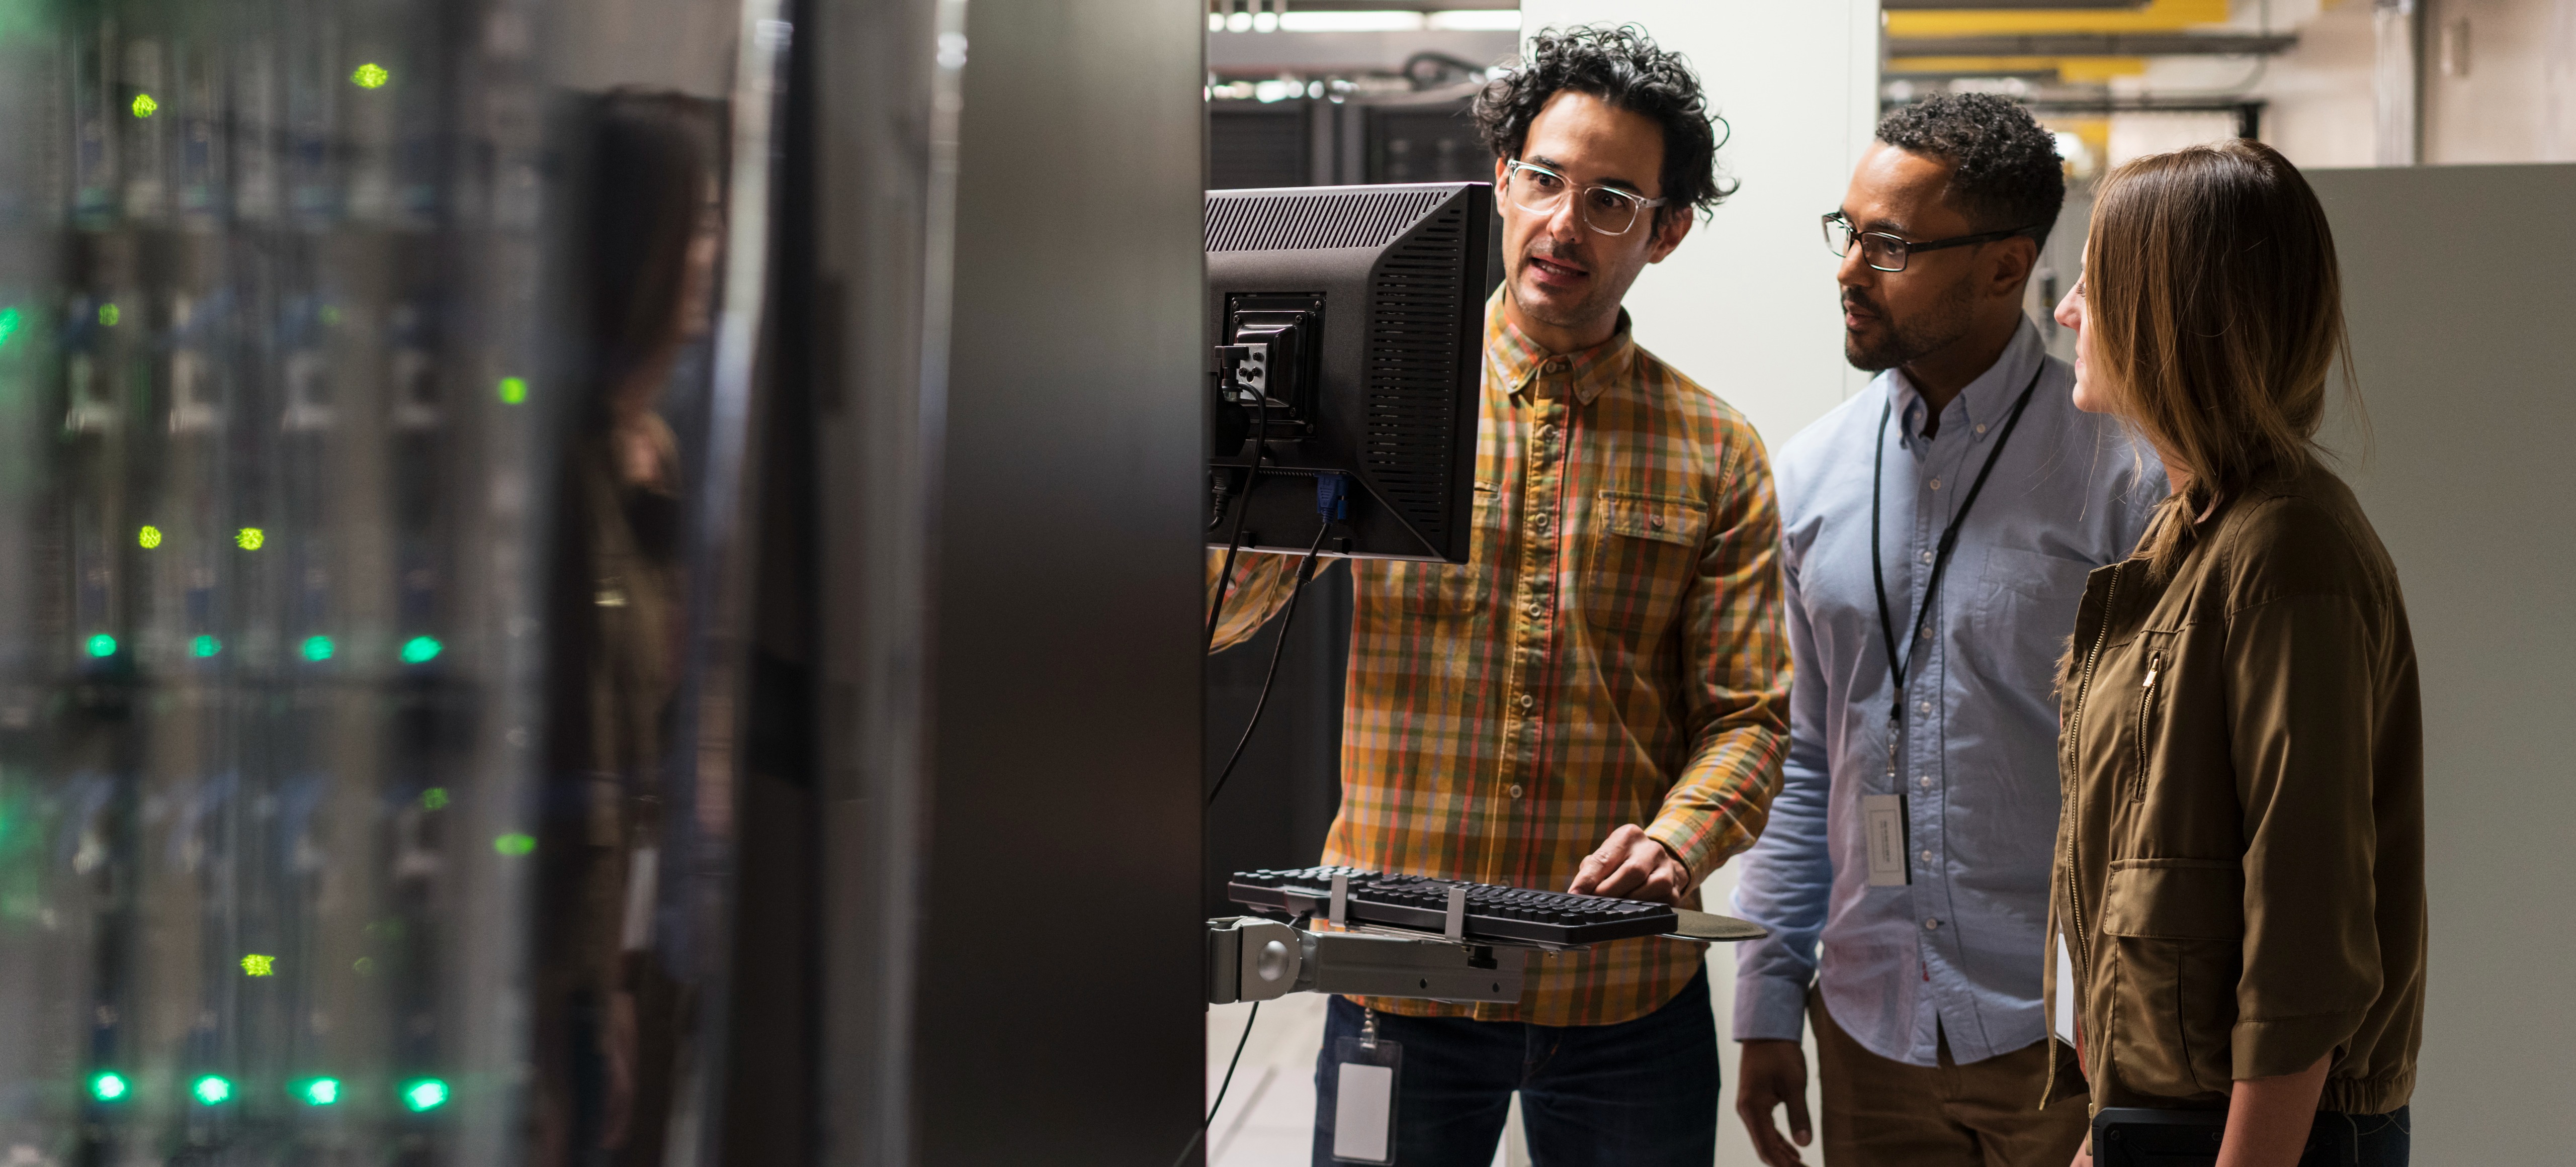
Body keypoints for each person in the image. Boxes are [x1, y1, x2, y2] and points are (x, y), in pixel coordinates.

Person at [1208, 25, 1788, 1165]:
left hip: (1619, 991)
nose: (1563, 221)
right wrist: (1238, 474)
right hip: (1393, 972)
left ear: (1665, 233)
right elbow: (1216, 620)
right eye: (1543, 179)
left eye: (1612, 199)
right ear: (1499, 182)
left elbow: (1749, 717)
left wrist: (1678, 840)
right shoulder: (1374, 396)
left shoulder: (1716, 450)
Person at [1729, 94, 2166, 1167]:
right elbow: (1806, 757)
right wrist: (1766, 995)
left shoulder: (2123, 475)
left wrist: (2136, 1041)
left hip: (2063, 1036)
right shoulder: (1810, 475)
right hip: (1870, 1033)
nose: (1847, 271)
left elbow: (2163, 785)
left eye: (1889, 246)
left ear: (2004, 267)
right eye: (1847, 233)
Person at [2048, 139, 2422, 1167]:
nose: (2068, 313)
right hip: (2161, 1122)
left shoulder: (2285, 552)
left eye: (2091, 284)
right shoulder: (2190, 540)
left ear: (2166, 312)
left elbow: (2305, 936)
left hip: (2254, 1138)